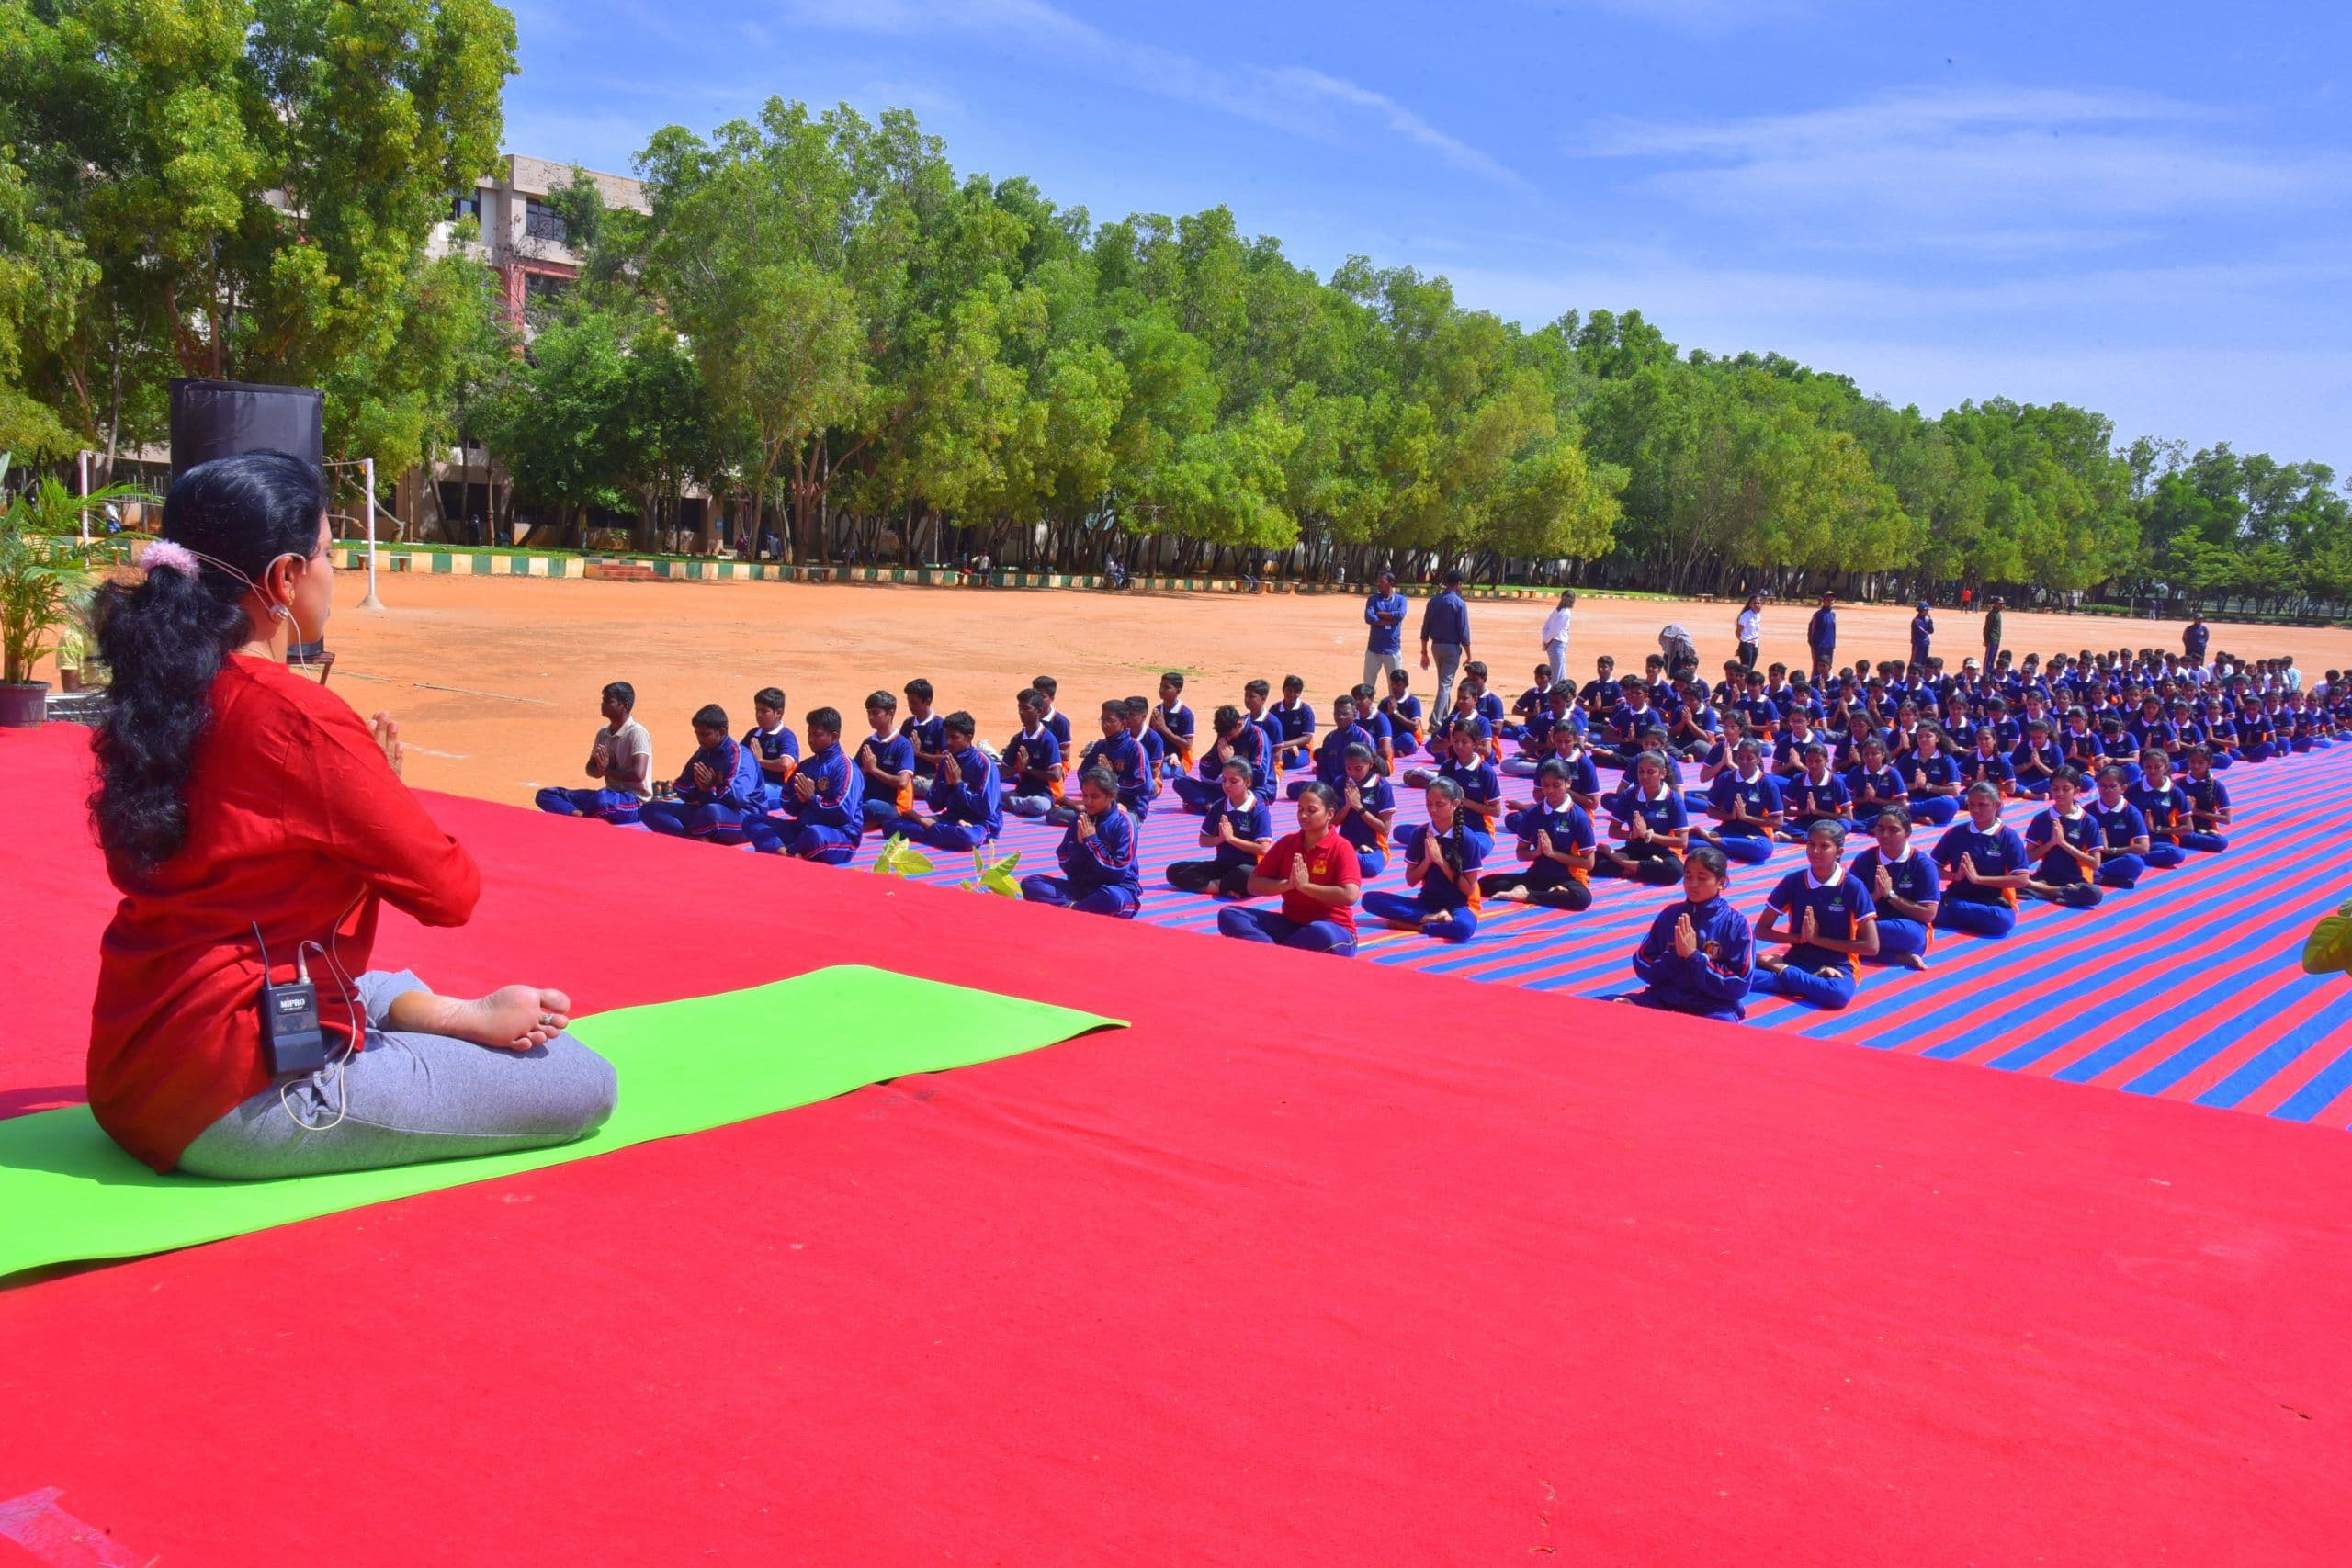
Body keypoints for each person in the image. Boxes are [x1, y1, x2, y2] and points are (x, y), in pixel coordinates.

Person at [86, 449, 613, 1177]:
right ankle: (422, 1028)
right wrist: (382, 794)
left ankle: (446, 1015)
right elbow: (450, 888)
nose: (336, 572)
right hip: (238, 1097)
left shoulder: (160, 695)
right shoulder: (296, 716)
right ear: (283, 578)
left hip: (129, 1072)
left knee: (377, 978)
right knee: (581, 1079)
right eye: (329, 553)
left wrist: (355, 804)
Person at [1217, 784, 1363, 954]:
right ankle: (1278, 952)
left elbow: (1350, 895)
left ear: (1330, 814)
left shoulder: (1341, 847)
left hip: (1332, 929)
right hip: (1290, 924)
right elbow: (1253, 884)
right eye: (1300, 809)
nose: (1303, 815)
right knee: (1230, 915)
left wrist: (1305, 887)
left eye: (1311, 810)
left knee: (1321, 934)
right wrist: (1288, 885)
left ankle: (1274, 951)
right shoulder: (1288, 843)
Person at [1748, 821, 1878, 1010]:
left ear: (1839, 852)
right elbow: (1761, 930)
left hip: (1838, 964)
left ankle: (1782, 972)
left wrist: (1817, 940)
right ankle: (1804, 980)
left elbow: (1871, 947)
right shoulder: (1793, 882)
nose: (1815, 851)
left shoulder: (1852, 887)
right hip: (1797, 958)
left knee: (1838, 994)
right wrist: (1798, 938)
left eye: (1824, 846)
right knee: (1736, 972)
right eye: (1811, 845)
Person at [1618, 846, 1753, 1022]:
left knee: (1721, 1031)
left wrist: (1694, 957)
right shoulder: (1670, 915)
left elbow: (1740, 985)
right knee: (1611, 1006)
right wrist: (1674, 956)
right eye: (1688, 877)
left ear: (1722, 882)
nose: (1692, 884)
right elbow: (1642, 963)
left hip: (1712, 1006)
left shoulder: (1736, 924)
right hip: (1663, 999)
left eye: (1702, 878)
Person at [1363, 778, 1485, 942]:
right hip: (1427, 902)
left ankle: (1418, 925)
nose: (1432, 809)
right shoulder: (1420, 834)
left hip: (1459, 905)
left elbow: (1468, 890)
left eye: (1439, 804)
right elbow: (1411, 881)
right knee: (1369, 899)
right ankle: (1430, 918)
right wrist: (1427, 861)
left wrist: (1441, 861)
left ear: (1455, 804)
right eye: (1429, 803)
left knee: (1463, 929)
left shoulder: (1467, 838)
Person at [744, 706, 865, 863]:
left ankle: (786, 852)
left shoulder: (846, 767)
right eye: (809, 733)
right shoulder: (807, 765)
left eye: (817, 734)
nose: (811, 739)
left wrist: (812, 798)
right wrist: (799, 799)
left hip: (838, 834)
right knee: (752, 820)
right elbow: (786, 801)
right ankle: (786, 854)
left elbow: (844, 812)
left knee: (815, 834)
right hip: (802, 829)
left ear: (834, 736)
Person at [1020, 770, 1142, 918]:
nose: (1087, 802)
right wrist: (1079, 847)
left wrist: (1092, 841)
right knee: (1031, 883)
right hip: (1081, 888)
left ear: (1111, 796)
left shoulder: (1124, 824)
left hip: (1114, 888)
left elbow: (1117, 872)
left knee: (1112, 899)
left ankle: (1073, 909)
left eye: (1094, 797)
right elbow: (1066, 863)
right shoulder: (1080, 819)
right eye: (1085, 796)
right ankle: (1080, 909)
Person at [1478, 761, 1595, 911]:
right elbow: (1521, 853)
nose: (1550, 790)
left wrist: (1553, 854)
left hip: (1568, 878)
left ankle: (1527, 895)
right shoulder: (1532, 814)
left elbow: (1589, 863)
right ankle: (1549, 894)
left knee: (1582, 899)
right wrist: (1537, 852)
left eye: (1556, 785)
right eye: (1545, 785)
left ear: (1568, 783)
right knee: (1484, 884)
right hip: (1537, 875)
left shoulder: (1579, 817)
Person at [536, 681, 654, 823]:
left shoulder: (637, 733)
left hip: (633, 801)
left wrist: (606, 770)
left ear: (623, 705)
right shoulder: (603, 733)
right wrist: (599, 768)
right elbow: (590, 768)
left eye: (608, 701)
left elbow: (638, 774)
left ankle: (586, 817)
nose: (602, 704)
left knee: (601, 800)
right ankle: (581, 817)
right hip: (609, 795)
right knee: (547, 794)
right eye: (603, 700)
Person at [640, 705, 763, 842]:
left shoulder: (739, 756)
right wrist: (699, 788)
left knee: (711, 813)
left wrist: (712, 786)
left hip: (744, 816)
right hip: (705, 810)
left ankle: (695, 836)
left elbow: (738, 799)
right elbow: (681, 787)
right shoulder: (704, 752)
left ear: (722, 732)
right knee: (649, 810)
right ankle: (692, 838)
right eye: (697, 734)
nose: (700, 739)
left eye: (705, 734)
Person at [881, 711, 1001, 850]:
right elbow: (934, 805)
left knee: (968, 837)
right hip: (952, 819)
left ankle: (927, 824)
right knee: (890, 826)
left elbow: (987, 811)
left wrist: (959, 784)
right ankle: (935, 829)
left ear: (969, 738)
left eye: (954, 737)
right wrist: (947, 785)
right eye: (947, 737)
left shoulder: (985, 764)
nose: (948, 742)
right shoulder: (946, 761)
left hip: (980, 822)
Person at [1929, 782, 2031, 936]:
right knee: (1925, 908)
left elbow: (2021, 879)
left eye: (1982, 805)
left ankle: (1961, 914)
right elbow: (1933, 868)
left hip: (1991, 902)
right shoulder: (1956, 833)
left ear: (1996, 805)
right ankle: (1965, 915)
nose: (1975, 810)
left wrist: (1978, 879)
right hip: (1957, 895)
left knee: (2003, 921)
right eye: (1971, 804)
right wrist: (1954, 876)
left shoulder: (2008, 837)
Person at [1166, 759, 1275, 897]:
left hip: (1249, 868)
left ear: (1247, 782)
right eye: (1224, 780)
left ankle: (1222, 886)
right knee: (1175, 871)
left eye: (1233, 781)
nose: (1227, 785)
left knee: (1245, 875)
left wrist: (1231, 839)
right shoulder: (1219, 806)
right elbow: (1203, 840)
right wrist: (1220, 839)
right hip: (1222, 866)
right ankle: (1223, 888)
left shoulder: (1258, 810)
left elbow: (1264, 849)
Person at [1849, 807, 1939, 970]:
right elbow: (1849, 906)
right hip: (1869, 923)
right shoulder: (1864, 860)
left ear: (1907, 833)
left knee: (1912, 937)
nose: (1885, 835)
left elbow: (1928, 914)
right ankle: (1898, 957)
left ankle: (1845, 946)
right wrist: (1876, 895)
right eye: (1881, 829)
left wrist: (1891, 896)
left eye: (1893, 830)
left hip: (1908, 927)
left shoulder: (1922, 865)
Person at [1595, 750, 1688, 886]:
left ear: (1662, 773)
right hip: (1633, 849)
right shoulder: (1629, 795)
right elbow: (1613, 831)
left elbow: (1682, 842)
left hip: (1661, 852)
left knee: (1675, 871)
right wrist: (1633, 835)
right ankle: (1641, 869)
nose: (1644, 776)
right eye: (1641, 771)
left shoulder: (1673, 799)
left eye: (1650, 772)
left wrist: (1647, 835)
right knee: (1592, 861)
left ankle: (1623, 864)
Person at [2021, 768, 2103, 908]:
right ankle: (2060, 893)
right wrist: (2051, 844)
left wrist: (2064, 844)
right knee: (2011, 881)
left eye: (2066, 789)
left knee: (2095, 894)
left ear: (2076, 791)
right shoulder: (2041, 819)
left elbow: (2095, 863)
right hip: (2046, 877)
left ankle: (2043, 891)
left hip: (2077, 880)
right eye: (2055, 788)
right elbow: (2026, 860)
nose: (2059, 793)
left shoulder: (2088, 821)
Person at [1700, 738, 1782, 863]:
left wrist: (1746, 817)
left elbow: (1778, 822)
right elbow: (1711, 811)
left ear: (1759, 759)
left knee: (1763, 849)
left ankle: (1715, 842)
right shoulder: (1725, 778)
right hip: (1728, 829)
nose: (1744, 762)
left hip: (1755, 833)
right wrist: (1731, 816)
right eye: (1740, 757)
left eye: (1750, 758)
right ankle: (1728, 845)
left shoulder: (1767, 784)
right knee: (1691, 842)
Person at [854, 690, 919, 829]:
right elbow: (854, 774)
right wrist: (863, 770)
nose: (870, 717)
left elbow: (902, 782)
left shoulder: (903, 745)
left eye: (875, 713)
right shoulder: (868, 743)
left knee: (871, 807)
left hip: (894, 807)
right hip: (867, 800)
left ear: (890, 713)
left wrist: (873, 769)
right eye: (869, 712)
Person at [1001, 688, 1067, 818]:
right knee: (990, 795)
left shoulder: (1048, 740)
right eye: (1019, 708)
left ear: (1039, 711)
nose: (1021, 712)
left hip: (1044, 795)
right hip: (1020, 792)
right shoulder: (1017, 739)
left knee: (1037, 805)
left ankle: (1012, 804)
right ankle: (1015, 803)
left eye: (1026, 709)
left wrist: (1028, 769)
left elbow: (1056, 775)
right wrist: (1017, 768)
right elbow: (1004, 770)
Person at [1333, 745, 1398, 877]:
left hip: (1374, 848)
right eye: (1348, 768)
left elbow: (1384, 829)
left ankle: (1347, 858)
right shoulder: (1341, 783)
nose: (1352, 773)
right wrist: (1347, 806)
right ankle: (1350, 854)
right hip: (1345, 843)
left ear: (1370, 764)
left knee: (1369, 867)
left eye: (1358, 768)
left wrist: (1359, 807)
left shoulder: (1382, 787)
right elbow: (1333, 822)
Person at [2084, 765, 2153, 887]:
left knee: (2136, 863)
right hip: (2091, 858)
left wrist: (2113, 850)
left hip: (2117, 860)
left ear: (2123, 788)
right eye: (2102, 786)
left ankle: (2093, 875)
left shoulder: (2130, 812)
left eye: (2112, 786)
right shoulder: (2087, 811)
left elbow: (2143, 847)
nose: (2107, 790)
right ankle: (2102, 878)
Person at [1419, 569, 1471, 715]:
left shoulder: (1433, 601)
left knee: (1443, 683)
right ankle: (1435, 720)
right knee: (1445, 685)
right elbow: (1464, 631)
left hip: (1436, 646)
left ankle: (1444, 716)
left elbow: (1425, 629)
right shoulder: (1459, 603)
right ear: (1459, 584)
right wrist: (1469, 655)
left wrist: (1424, 651)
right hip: (1451, 647)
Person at [741, 687, 801, 811]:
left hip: (779, 789)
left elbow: (785, 764)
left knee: (746, 795)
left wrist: (760, 761)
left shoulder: (786, 736)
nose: (759, 715)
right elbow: (739, 755)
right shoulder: (753, 733)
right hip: (756, 784)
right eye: (757, 710)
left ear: (778, 712)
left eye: (764, 711)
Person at [2177, 746, 2232, 851]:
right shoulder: (2177, 784)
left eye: (2201, 762)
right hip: (2181, 827)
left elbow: (2226, 819)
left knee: (2221, 843)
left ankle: (2187, 838)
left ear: (2209, 764)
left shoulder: (2217, 786)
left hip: (2206, 830)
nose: (2195, 766)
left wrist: (2195, 811)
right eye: (2192, 761)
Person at [1363, 569, 1410, 689]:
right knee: (1368, 685)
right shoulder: (1373, 599)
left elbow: (1400, 615)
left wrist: (1380, 614)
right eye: (1378, 581)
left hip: (1392, 650)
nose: (1378, 584)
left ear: (1391, 583)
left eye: (1381, 581)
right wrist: (1390, 620)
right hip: (1374, 649)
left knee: (1396, 686)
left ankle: (1395, 708)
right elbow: (1369, 618)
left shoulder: (1401, 600)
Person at [1150, 672, 1196, 780]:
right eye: (1161, 686)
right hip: (1159, 757)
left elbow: (1187, 745)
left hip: (1179, 760)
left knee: (1162, 772)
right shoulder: (1157, 710)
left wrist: (1163, 728)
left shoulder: (1185, 714)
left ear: (1178, 690)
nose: (1162, 690)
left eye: (1167, 687)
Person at [1541, 590, 1576, 685]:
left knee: (1562, 674)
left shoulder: (1557, 610)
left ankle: (1565, 695)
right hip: (1557, 644)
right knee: (1556, 676)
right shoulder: (1566, 612)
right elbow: (1555, 631)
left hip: (1554, 644)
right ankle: (1549, 697)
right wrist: (1547, 641)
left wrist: (1544, 640)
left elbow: (1546, 626)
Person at [1805, 591, 1837, 682]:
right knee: (1817, 669)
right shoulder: (1818, 615)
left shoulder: (1833, 614)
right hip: (1820, 647)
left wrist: (1833, 644)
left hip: (1830, 646)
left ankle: (1825, 684)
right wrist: (1813, 646)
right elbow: (1812, 631)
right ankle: (1814, 685)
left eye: (1832, 600)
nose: (1830, 601)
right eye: (1828, 600)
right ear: (1823, 601)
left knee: (1827, 668)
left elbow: (1833, 630)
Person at [1736, 594, 1763, 670]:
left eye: (1758, 603)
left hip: (1755, 645)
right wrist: (1743, 643)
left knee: (1751, 669)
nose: (1756, 605)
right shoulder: (1746, 615)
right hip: (1747, 644)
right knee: (1746, 669)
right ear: (1750, 604)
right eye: (1754, 603)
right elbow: (1738, 632)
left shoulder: (1758, 616)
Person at [1909, 601, 1935, 667]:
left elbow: (1931, 631)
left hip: (1925, 643)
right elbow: (1923, 632)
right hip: (1918, 644)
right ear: (1923, 610)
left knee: (1924, 662)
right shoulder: (1917, 620)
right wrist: (1927, 631)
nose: (1928, 612)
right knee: (1916, 662)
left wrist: (1930, 621)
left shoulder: (1927, 619)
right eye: (1927, 610)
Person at [1982, 596, 2005, 667]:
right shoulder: (1992, 614)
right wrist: (1986, 639)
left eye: (2002, 604)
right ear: (1995, 604)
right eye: (1999, 603)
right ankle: (1986, 674)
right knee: (1988, 659)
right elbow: (1986, 628)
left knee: (1993, 659)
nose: (2001, 605)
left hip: (1997, 639)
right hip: (1991, 639)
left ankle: (1990, 674)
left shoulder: (1998, 614)